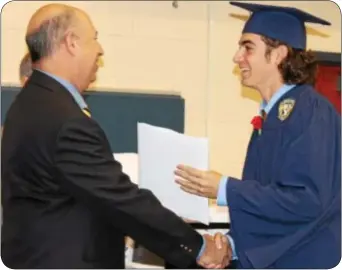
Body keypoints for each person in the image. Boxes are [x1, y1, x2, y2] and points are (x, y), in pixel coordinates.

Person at [1, 4, 232, 269]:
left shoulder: (27, 106)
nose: (100, 50)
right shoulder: (65, 121)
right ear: (72, 43)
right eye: (95, 38)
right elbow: (121, 200)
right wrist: (197, 247)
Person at [175, 2, 341, 269]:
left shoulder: (311, 111)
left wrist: (226, 189)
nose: (237, 57)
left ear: (278, 55)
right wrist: (232, 245)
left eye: (247, 47)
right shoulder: (270, 117)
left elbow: (307, 202)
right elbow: (271, 207)